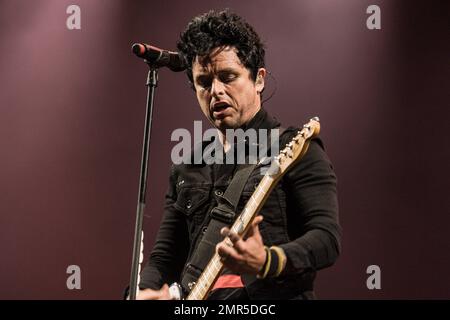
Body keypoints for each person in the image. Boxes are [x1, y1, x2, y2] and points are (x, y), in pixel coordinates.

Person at [136, 9, 341, 300]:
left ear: (258, 79)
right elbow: (165, 257)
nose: (216, 90)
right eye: (204, 82)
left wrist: (267, 260)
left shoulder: (295, 148)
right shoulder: (187, 167)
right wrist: (144, 291)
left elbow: (326, 239)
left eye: (228, 76)